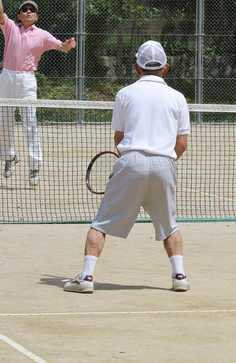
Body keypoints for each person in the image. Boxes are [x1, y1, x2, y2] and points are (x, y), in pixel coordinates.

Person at [64, 40, 191, 293]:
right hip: (166, 164)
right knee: (170, 226)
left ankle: (87, 278)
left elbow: (119, 140)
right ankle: (179, 276)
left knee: (100, 224)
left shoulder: (124, 94)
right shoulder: (178, 98)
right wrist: (160, 163)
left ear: (136, 68)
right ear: (166, 68)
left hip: (131, 162)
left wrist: (134, 163)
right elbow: (182, 144)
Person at [0, 0, 76, 185]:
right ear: (19, 15)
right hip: (7, 77)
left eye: (32, 9)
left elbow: (61, 47)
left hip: (27, 81)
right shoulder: (10, 27)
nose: (28, 11)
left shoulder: (43, 35)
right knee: (5, 121)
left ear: (37, 16)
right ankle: (9, 157)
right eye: (24, 9)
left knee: (30, 124)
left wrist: (69, 45)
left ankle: (34, 167)